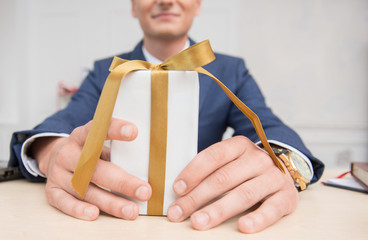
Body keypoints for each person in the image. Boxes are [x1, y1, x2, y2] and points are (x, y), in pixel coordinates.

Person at [9, 0, 324, 234]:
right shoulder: (108, 69)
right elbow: (68, 120)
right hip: (117, 223)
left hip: (197, 220)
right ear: (134, 7)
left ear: (197, 4)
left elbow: (267, 124)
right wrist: (51, 154)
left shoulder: (231, 70)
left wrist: (281, 162)